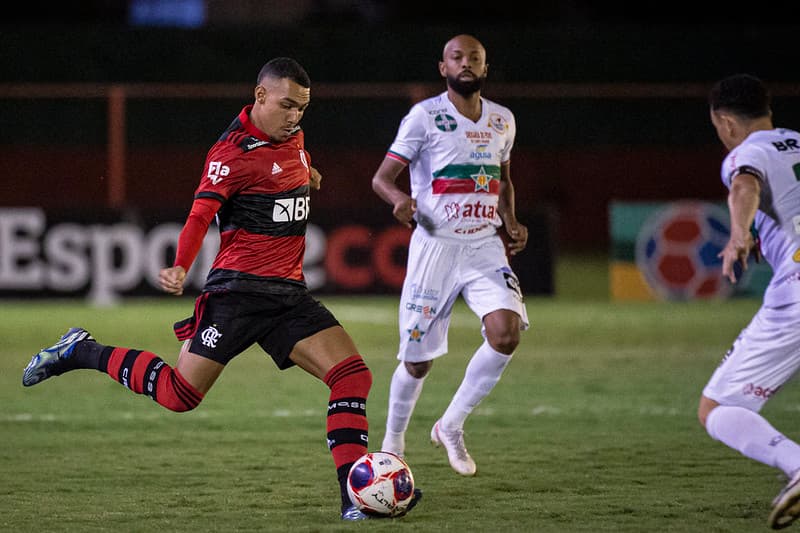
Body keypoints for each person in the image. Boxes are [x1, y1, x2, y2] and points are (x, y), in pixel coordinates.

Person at [22, 57, 419, 522]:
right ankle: (81, 351)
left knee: (353, 376)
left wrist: (307, 172)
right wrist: (179, 265)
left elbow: (292, 163)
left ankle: (354, 498)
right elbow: (199, 216)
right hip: (236, 295)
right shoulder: (229, 154)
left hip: (288, 295)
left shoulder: (293, 139)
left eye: (303, 110)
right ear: (260, 96)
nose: (295, 117)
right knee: (178, 395)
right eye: (287, 106)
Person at [371, 34, 530, 476]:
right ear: (443, 68)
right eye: (456, 58)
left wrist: (511, 220)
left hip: (483, 245)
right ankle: (393, 442)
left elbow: (503, 179)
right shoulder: (424, 117)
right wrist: (399, 200)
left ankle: (451, 424)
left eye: (474, 58)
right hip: (435, 247)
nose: (465, 64)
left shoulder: (502, 120)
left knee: (506, 332)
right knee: (417, 362)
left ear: (485, 68)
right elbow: (382, 178)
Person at [699, 73, 800, 530]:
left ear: (725, 122)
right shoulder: (796, 141)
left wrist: (738, 235)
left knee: (719, 409)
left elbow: (745, 185)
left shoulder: (746, 153)